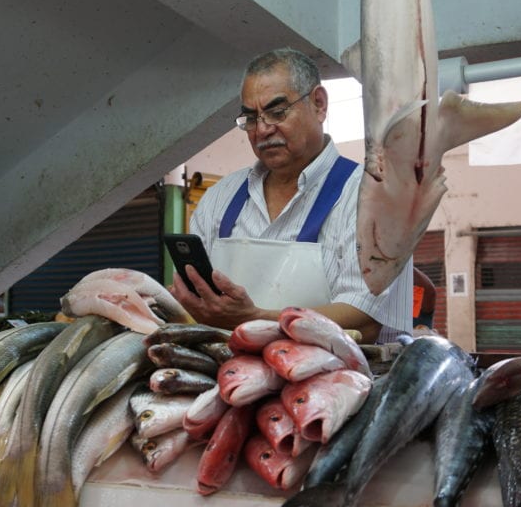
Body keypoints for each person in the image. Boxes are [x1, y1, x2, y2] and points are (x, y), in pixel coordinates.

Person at [170, 47, 414, 343]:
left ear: (319, 104)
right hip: (239, 380)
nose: (262, 130)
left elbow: (364, 320)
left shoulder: (374, 198)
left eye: (277, 112)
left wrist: (253, 318)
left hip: (347, 382)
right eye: (250, 117)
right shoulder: (220, 199)